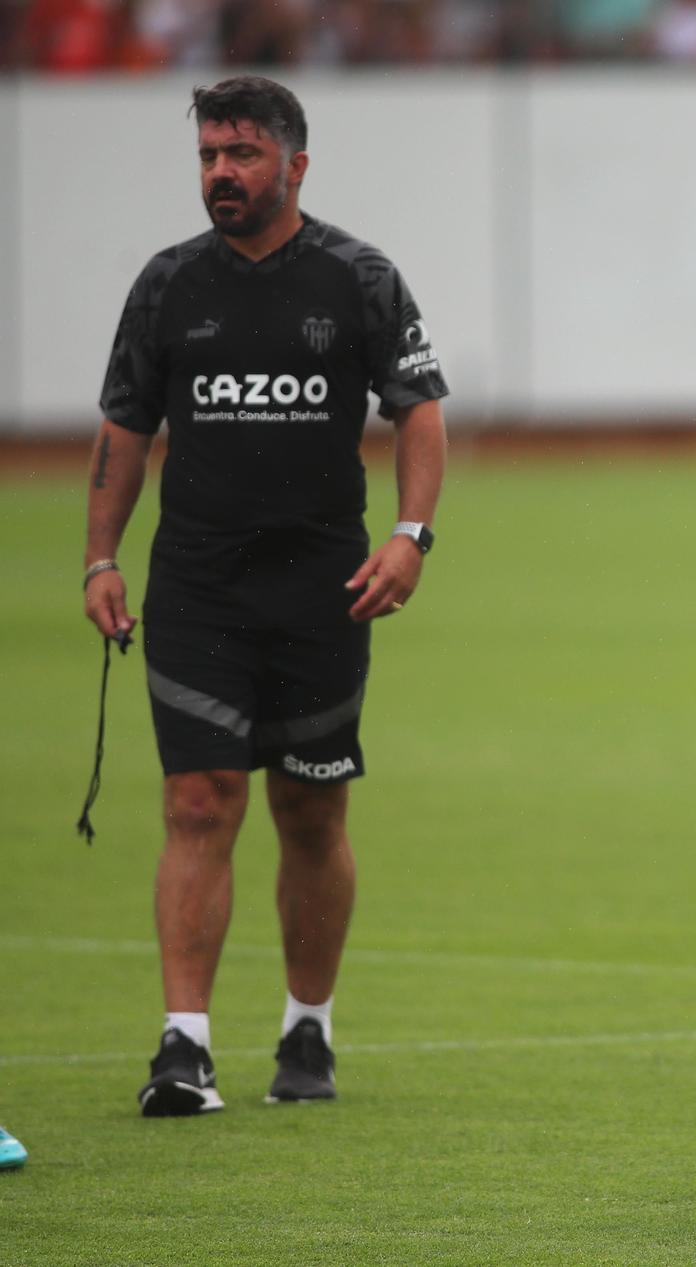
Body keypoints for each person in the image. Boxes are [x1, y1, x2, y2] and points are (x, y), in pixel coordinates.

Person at [84, 75, 448, 1114]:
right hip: (196, 589)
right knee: (199, 801)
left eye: (240, 155)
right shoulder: (166, 287)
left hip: (323, 591)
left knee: (310, 809)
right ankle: (184, 1047)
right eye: (206, 155)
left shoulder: (357, 278)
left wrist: (411, 537)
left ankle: (307, 1029)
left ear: (294, 164)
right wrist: (100, 558)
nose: (220, 174)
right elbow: (124, 430)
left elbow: (417, 412)